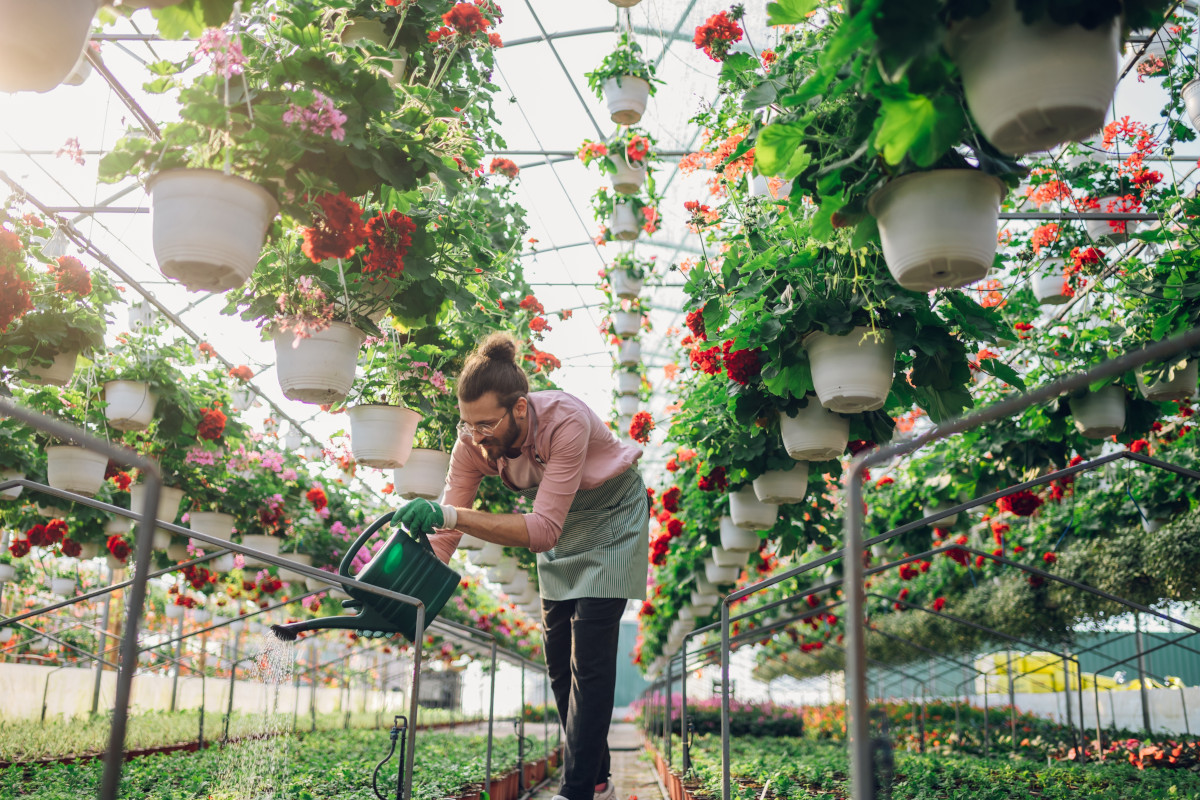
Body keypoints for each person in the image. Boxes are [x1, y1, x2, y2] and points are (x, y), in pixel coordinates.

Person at [397, 332, 649, 800]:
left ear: (518, 407)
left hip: (613, 518)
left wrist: (451, 515)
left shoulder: (564, 420)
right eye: (468, 424)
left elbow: (540, 531)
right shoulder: (471, 443)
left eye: (485, 424)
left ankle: (576, 792)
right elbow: (446, 533)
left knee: (589, 655)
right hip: (559, 520)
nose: (476, 435)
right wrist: (409, 594)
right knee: (558, 662)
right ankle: (598, 780)